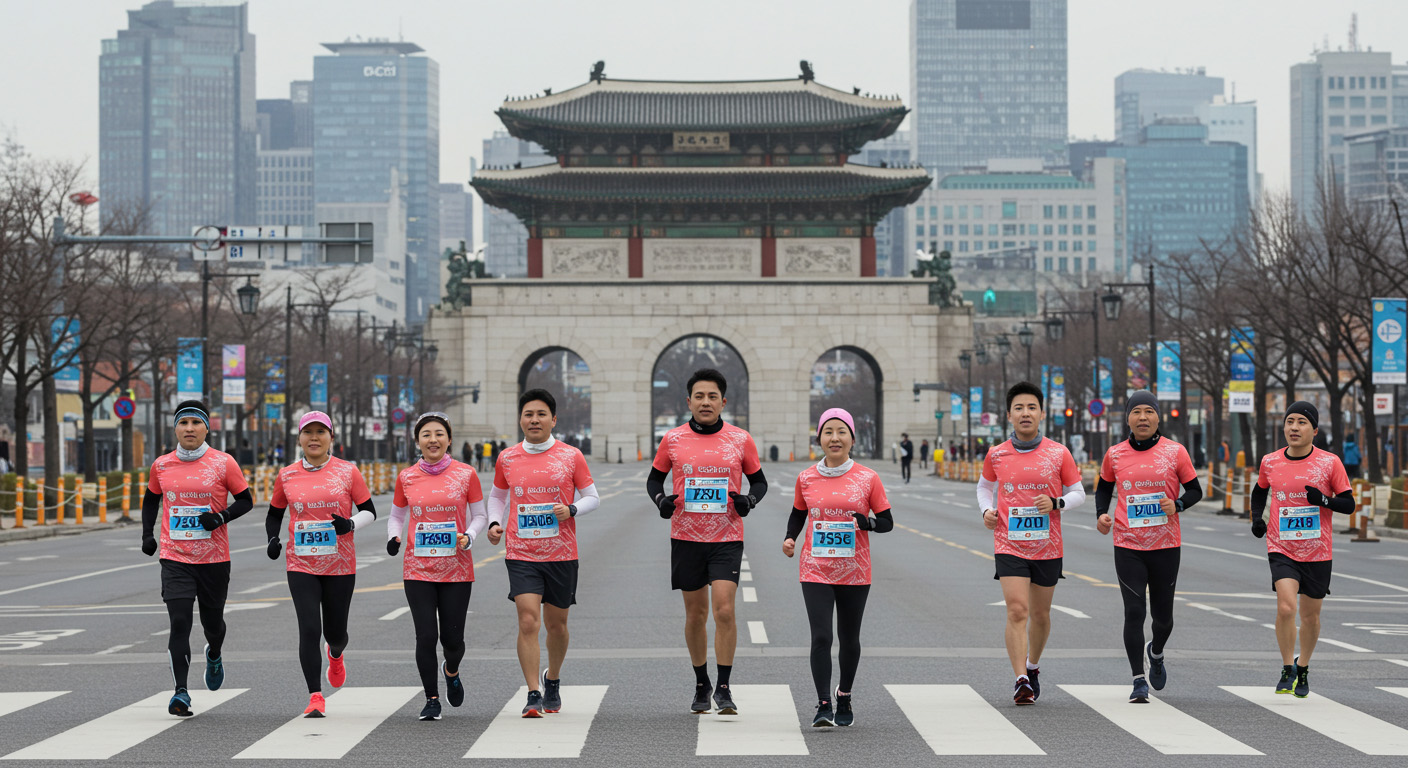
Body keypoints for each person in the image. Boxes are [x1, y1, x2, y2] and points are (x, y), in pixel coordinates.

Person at [646, 368, 767, 715]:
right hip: (686, 537)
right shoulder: (672, 440)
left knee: (725, 610)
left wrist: (749, 500)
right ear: (689, 401)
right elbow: (654, 481)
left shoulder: (740, 440)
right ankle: (702, 682)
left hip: (726, 536)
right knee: (696, 614)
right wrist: (662, 501)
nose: (705, 402)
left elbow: (759, 483)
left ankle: (724, 688)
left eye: (712, 396)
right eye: (699, 396)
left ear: (723, 402)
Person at [486, 389, 600, 717]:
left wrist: (572, 509)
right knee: (527, 620)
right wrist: (495, 522)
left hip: (561, 552)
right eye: (528, 414)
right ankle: (533, 692)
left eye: (540, 414)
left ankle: (553, 678)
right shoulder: (507, 457)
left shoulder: (571, 456)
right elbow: (497, 497)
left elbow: (592, 496)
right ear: (521, 419)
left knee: (557, 625)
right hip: (522, 551)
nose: (534, 420)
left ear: (553, 419)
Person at [139, 400, 254, 717]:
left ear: (206, 428)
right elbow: (151, 500)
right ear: (175, 428)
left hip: (214, 559)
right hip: (175, 557)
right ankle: (180, 692)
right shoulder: (162, 465)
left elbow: (246, 500)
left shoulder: (223, 463)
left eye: (195, 423)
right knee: (179, 622)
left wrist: (221, 517)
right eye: (183, 423)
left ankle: (214, 652)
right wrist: (147, 534)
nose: (189, 429)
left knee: (212, 624)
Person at [784, 408, 892, 727]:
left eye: (841, 432)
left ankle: (844, 694)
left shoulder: (867, 478)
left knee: (849, 638)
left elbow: (887, 522)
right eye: (828, 431)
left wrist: (868, 523)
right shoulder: (806, 478)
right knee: (821, 637)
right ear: (819, 438)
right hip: (815, 567)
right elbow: (798, 514)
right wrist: (790, 538)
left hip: (854, 569)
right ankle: (822, 704)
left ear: (852, 439)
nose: (835, 437)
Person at [264, 412, 377, 718]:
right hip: (301, 564)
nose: (314, 438)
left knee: (335, 632)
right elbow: (275, 513)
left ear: (331, 437)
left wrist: (349, 524)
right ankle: (315, 695)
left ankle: (336, 654)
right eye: (307, 433)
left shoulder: (347, 471)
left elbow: (369, 510)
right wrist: (273, 539)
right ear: (299, 438)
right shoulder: (287, 475)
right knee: (309, 628)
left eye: (320, 432)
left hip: (340, 564)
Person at [977, 382, 1084, 705]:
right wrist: (987, 510)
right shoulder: (997, 454)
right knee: (1017, 610)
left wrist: (1057, 503)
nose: (1026, 413)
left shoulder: (1058, 453)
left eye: (1031, 408)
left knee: (1040, 614)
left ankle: (1033, 666)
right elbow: (984, 487)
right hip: (1009, 543)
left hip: (1048, 546)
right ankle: (1020, 679)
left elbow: (1079, 492)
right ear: (1009, 415)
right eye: (1019, 408)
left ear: (1041, 414)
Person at [1094, 392, 1202, 703]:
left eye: (1149, 412)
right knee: (1134, 611)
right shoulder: (1115, 454)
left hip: (1166, 544)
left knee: (1163, 618)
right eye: (1136, 412)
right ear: (1127, 418)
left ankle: (1155, 651)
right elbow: (1104, 487)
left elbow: (1196, 490)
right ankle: (1137, 680)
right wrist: (1102, 514)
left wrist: (1178, 504)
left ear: (1158, 418)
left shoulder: (1175, 452)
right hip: (1127, 543)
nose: (1143, 418)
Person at [387, 412, 488, 720]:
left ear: (449, 439)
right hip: (418, 568)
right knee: (426, 636)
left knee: (452, 640)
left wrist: (469, 536)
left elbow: (480, 516)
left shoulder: (466, 474)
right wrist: (394, 537)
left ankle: (452, 669)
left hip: (456, 568)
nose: (433, 439)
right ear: (418, 441)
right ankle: (431, 698)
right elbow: (396, 516)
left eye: (439, 434)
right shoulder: (407, 477)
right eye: (426, 434)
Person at [1250, 402, 1354, 698]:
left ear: (1314, 430)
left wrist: (1323, 500)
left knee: (1310, 616)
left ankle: (1303, 666)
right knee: (1286, 607)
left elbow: (1349, 504)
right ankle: (1286, 668)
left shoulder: (1329, 463)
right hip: (1281, 546)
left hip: (1317, 550)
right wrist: (1257, 518)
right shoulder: (1270, 461)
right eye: (1290, 422)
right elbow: (1260, 490)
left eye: (1302, 423)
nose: (1294, 427)